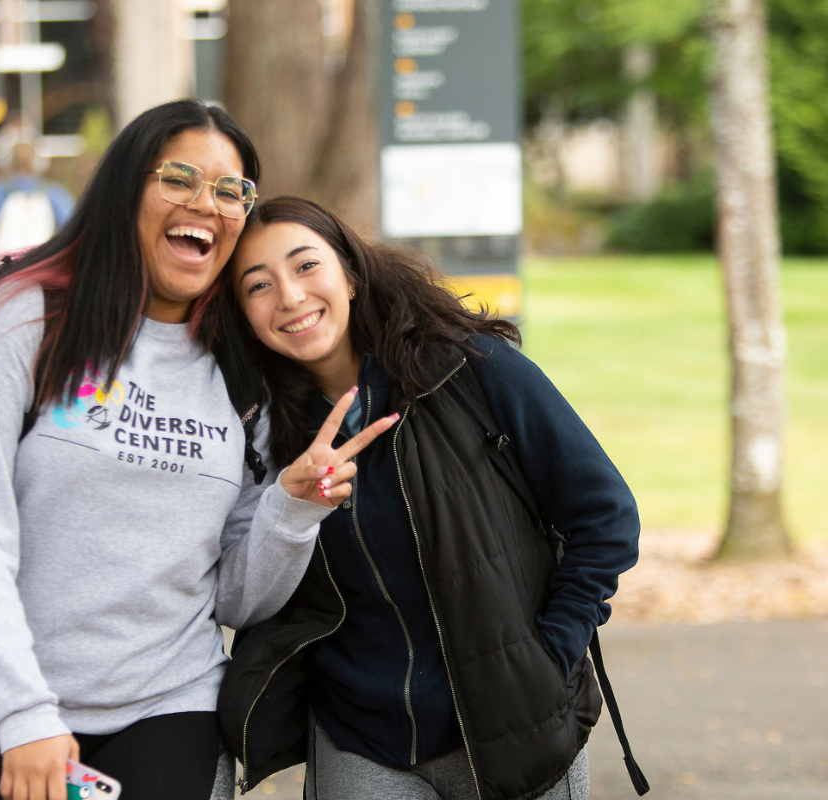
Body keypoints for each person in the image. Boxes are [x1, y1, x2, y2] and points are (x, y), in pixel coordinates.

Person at [0, 100, 396, 800]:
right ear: (126, 188)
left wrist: (290, 515)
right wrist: (22, 712)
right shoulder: (23, 321)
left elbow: (232, 596)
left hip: (169, 701)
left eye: (230, 190)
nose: (207, 202)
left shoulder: (241, 374)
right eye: (179, 178)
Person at [214, 197, 641, 800]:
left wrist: (549, 655)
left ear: (352, 274)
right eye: (258, 285)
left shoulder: (470, 369)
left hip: (511, 724)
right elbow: (249, 589)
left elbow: (606, 515)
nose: (289, 296)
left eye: (306, 266)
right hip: (359, 739)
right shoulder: (262, 435)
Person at [0, 139, 75, 254]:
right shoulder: (55, 193)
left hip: (2, 266)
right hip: (39, 265)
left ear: (8, 163)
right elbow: (72, 229)